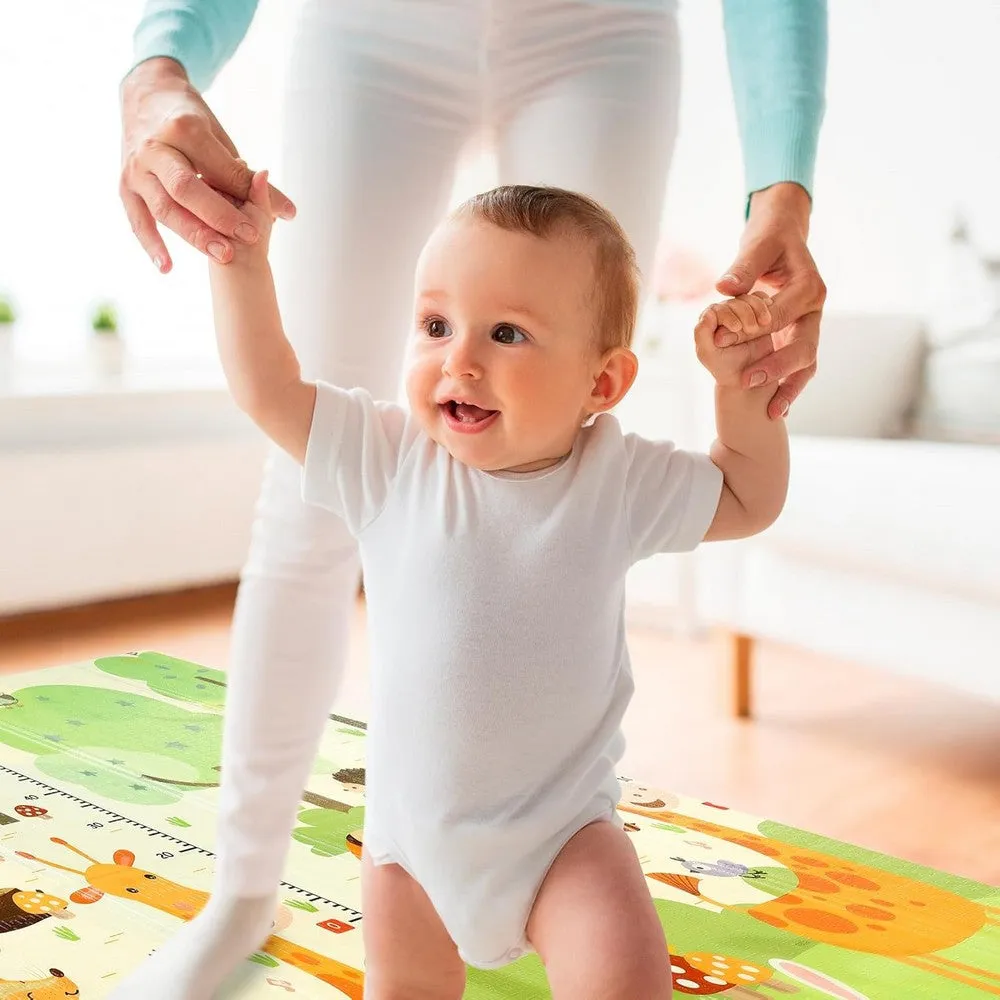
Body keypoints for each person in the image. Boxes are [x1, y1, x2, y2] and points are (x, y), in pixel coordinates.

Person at [115, 3, 825, 997]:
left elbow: (746, 496)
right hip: (408, 849)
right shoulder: (389, 455)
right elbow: (273, 387)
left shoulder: (614, 474)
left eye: (506, 334)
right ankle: (240, 891)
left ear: (604, 385)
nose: (458, 357)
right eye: (435, 322)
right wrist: (239, 261)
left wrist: (742, 399)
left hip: (568, 842)